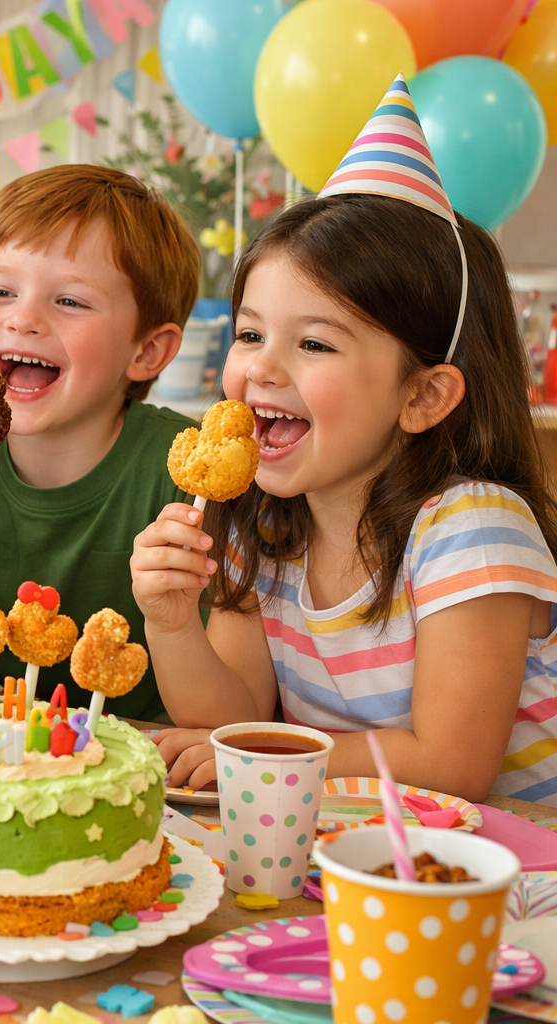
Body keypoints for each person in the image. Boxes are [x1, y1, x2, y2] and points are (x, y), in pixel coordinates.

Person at [131, 76, 557, 804]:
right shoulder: (264, 522)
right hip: (358, 841)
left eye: (316, 345)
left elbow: (452, 763)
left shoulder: (471, 530)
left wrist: (267, 757)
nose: (261, 366)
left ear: (423, 395)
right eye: (250, 333)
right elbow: (228, 723)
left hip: (511, 862)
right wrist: (170, 622)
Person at [0, 164, 200, 720]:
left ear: (147, 351)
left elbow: (222, 716)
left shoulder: (185, 474)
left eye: (70, 301)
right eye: (1, 291)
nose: (24, 318)